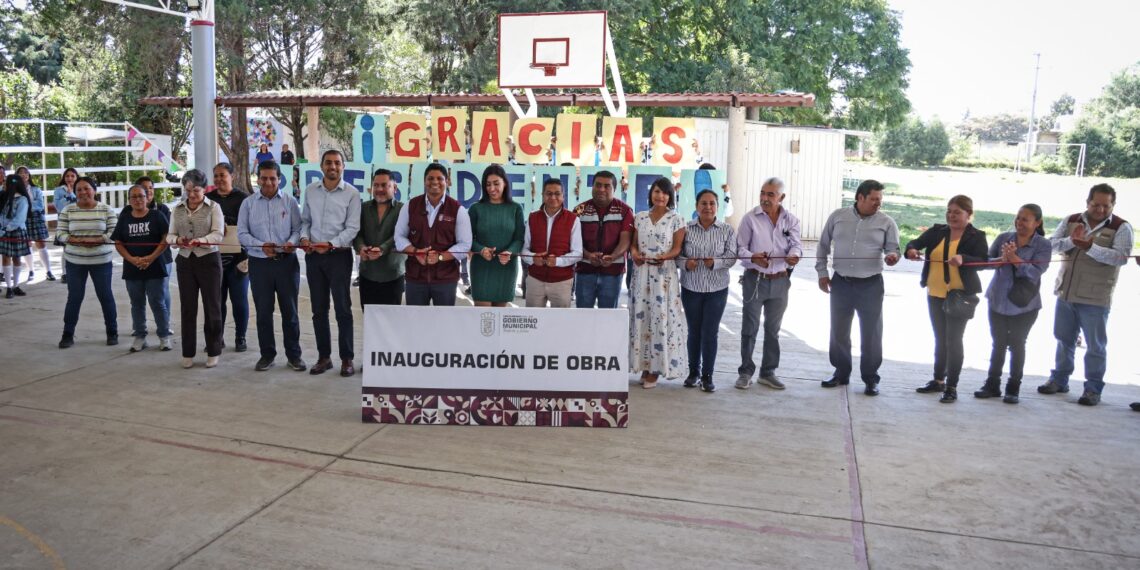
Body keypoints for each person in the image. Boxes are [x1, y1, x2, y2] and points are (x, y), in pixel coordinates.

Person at [1039, 183, 1133, 406]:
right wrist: (1072, 241)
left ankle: (1092, 389)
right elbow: (1049, 246)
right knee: (1063, 339)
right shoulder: (1071, 220)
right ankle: (1059, 379)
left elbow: (1120, 257)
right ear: (1087, 202)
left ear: (1113, 205)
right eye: (1095, 204)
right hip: (1066, 292)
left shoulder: (1122, 227)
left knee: (1095, 346)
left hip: (1096, 298)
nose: (1100, 210)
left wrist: (1090, 247)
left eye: (1105, 206)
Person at [816, 179, 900, 396]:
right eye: (873, 199)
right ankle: (841, 372)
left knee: (871, 332)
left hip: (871, 284)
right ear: (859, 197)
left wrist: (892, 257)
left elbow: (893, 249)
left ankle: (871, 378)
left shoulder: (887, 222)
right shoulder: (838, 217)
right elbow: (823, 246)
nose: (878, 204)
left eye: (880, 200)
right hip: (841, 282)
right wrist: (822, 273)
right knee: (839, 330)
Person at [904, 195, 990, 403]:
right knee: (940, 339)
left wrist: (964, 259)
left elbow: (984, 262)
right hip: (934, 292)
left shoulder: (976, 236)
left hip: (959, 296)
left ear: (969, 215)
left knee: (954, 340)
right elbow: (914, 242)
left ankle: (952, 386)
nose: (951, 215)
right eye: (949, 211)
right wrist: (912, 250)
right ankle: (938, 380)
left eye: (957, 212)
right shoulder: (938, 231)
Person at [972, 204, 1051, 404]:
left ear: (1037, 223)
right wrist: (1000, 259)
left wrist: (1014, 259)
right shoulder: (1003, 238)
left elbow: (1035, 273)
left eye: (1025, 219)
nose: (1020, 223)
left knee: (1017, 345)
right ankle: (992, 384)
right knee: (998, 344)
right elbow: (986, 262)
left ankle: (1013, 387)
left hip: (1025, 305)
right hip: (997, 299)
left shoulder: (1043, 245)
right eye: (1018, 218)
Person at [238, 160, 307, 372]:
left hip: (286, 264)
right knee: (263, 312)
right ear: (258, 179)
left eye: (273, 178)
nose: (268, 182)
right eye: (264, 178)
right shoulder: (248, 204)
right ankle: (267, 355)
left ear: (279, 179)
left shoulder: (289, 202)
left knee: (290, 312)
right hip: (259, 265)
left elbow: (298, 229)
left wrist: (291, 243)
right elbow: (242, 234)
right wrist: (261, 246)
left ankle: (294, 356)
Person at [734, 177, 802, 391]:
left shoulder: (791, 220)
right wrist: (753, 257)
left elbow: (797, 245)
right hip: (755, 280)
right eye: (763, 193)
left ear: (782, 197)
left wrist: (794, 255)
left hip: (781, 281)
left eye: (770, 195)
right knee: (749, 328)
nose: (764, 198)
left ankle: (768, 372)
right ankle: (745, 371)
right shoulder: (749, 219)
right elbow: (739, 249)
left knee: (773, 330)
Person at [300, 149, 361, 377]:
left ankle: (347, 359)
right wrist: (304, 237)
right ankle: (324, 357)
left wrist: (331, 244)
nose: (332, 167)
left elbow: (353, 228)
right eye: (328, 163)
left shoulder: (352, 194)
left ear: (342, 167)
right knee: (318, 310)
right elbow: (305, 220)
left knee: (343, 309)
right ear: (322, 166)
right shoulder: (310, 191)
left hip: (339, 257)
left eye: (337, 163)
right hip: (314, 257)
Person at [628, 177, 687, 389]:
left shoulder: (676, 219)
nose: (660, 196)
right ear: (651, 194)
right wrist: (635, 254)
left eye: (664, 192)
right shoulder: (640, 217)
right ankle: (643, 365)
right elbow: (633, 245)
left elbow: (677, 248)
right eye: (656, 191)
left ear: (670, 196)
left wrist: (664, 256)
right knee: (642, 318)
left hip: (664, 276)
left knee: (660, 319)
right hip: (642, 273)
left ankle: (655, 369)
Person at [679, 189, 738, 392]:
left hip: (717, 289)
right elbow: (676, 255)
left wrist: (716, 262)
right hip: (691, 288)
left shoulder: (727, 230)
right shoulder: (685, 228)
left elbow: (732, 257)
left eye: (712, 203)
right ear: (696, 206)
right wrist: (687, 263)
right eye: (703, 203)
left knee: (710, 333)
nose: (708, 207)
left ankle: (707, 376)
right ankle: (693, 373)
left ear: (717, 207)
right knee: (694, 332)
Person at [167, 169, 225, 368]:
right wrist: (177, 240)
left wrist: (201, 241)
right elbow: (169, 235)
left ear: (204, 189)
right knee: (188, 308)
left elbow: (218, 234)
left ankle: (214, 350)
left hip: (209, 261)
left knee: (213, 307)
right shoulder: (177, 209)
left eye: (196, 190)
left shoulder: (214, 207)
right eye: (188, 190)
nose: (192, 195)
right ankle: (188, 352)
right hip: (185, 262)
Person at [394, 162, 472, 306]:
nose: (435, 182)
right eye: (430, 178)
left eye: (439, 178)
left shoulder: (458, 210)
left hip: (445, 280)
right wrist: (416, 252)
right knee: (415, 322)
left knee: (443, 324)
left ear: (447, 182)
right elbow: (399, 237)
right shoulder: (410, 206)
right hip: (415, 278)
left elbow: (465, 244)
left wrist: (441, 257)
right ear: (424, 181)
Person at [56, 176, 118, 348]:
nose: (83, 192)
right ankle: (68, 334)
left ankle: (112, 332)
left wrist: (99, 239)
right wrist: (73, 240)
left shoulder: (106, 209)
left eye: (86, 188)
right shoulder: (68, 210)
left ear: (94, 190)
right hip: (74, 262)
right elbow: (60, 234)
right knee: (74, 298)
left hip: (101, 261)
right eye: (79, 190)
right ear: (75, 193)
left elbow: (114, 232)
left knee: (106, 296)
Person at [112, 184, 173, 352]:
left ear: (147, 197)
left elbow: (165, 238)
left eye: (141, 196)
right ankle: (140, 336)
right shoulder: (124, 218)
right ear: (129, 200)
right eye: (134, 197)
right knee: (137, 304)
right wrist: (131, 259)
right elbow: (118, 242)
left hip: (155, 267)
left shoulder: (157, 216)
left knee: (157, 302)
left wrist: (151, 257)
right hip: (133, 269)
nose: (138, 199)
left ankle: (164, 336)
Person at [206, 162, 251, 352]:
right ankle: (217, 338)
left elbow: (251, 227)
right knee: (216, 302)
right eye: (215, 175)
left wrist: (247, 258)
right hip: (213, 259)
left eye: (222, 175)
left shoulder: (244, 199)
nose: (218, 179)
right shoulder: (207, 199)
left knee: (239, 301)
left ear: (231, 176)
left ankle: (240, 337)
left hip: (239, 260)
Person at [573, 170, 633, 308]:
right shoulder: (579, 210)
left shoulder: (624, 210)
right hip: (584, 271)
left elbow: (626, 240)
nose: (602, 189)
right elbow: (573, 240)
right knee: (583, 315)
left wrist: (612, 256)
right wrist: (588, 255)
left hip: (612, 273)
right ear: (592, 187)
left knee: (608, 317)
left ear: (614, 189)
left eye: (607, 186)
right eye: (598, 185)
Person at [469, 164, 525, 307]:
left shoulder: (516, 208)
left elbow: (519, 239)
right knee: (484, 321)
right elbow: (468, 239)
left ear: (505, 183)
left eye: (496, 183)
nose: (492, 189)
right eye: (488, 184)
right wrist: (481, 250)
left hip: (506, 267)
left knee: (500, 320)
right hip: (481, 267)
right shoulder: (476, 208)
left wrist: (510, 252)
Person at [522, 178, 581, 308]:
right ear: (542, 195)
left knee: (560, 324)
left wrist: (558, 261)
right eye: (549, 193)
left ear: (563, 196)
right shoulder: (532, 217)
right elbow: (524, 250)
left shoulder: (573, 219)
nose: (553, 197)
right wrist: (533, 258)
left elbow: (578, 253)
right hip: (535, 279)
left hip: (562, 281)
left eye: (557, 193)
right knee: (533, 322)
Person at [354, 168, 406, 306]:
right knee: (370, 320)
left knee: (392, 322)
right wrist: (361, 248)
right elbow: (357, 233)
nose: (379, 189)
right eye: (376, 185)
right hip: (367, 274)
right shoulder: (363, 208)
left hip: (393, 274)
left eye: (384, 185)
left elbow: (401, 236)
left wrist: (382, 249)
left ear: (394, 188)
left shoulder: (404, 209)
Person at [138, 175, 174, 339]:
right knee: (139, 294)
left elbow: (167, 234)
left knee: (162, 292)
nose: (148, 191)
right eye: (144, 188)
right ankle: (140, 326)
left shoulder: (163, 209)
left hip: (162, 257)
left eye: (150, 188)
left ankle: (165, 325)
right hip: (138, 259)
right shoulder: (130, 210)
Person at [16, 166, 53, 281]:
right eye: (21, 173)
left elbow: (39, 205)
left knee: (41, 243)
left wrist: (25, 205)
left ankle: (48, 271)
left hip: (36, 218)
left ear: (29, 175)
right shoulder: (15, 190)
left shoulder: (36, 189)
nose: (24, 174)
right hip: (21, 219)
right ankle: (31, 271)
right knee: (27, 244)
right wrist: (28, 205)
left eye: (26, 172)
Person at [2, 174, 32, 297]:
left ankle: (16, 285)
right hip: (3, 230)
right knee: (5, 257)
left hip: (16, 230)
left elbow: (20, 218)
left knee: (17, 258)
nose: (4, 185)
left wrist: (6, 228)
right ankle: (9, 287)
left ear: (12, 185)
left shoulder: (22, 200)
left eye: (6, 183)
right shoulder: (3, 197)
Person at [52, 167, 80, 284]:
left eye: (72, 176)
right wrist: (69, 195)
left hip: (78, 222)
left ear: (77, 177)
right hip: (65, 222)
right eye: (67, 176)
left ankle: (77, 272)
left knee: (78, 248)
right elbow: (59, 207)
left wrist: (72, 194)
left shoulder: (81, 189)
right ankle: (64, 273)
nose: (69, 178)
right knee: (66, 249)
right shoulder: (58, 190)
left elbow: (81, 204)